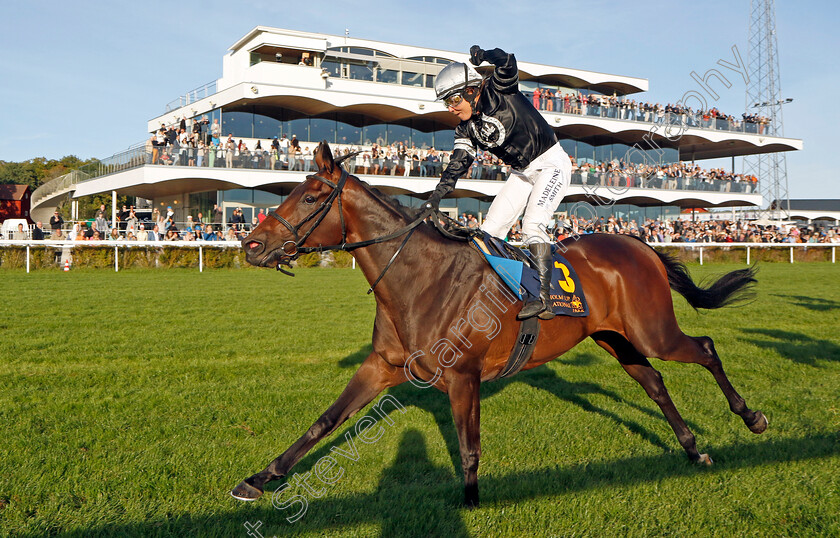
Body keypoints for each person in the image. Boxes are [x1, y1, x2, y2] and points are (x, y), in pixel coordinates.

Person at [426, 45, 572, 321]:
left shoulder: (498, 90)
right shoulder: (465, 128)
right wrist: (437, 195)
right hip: (521, 173)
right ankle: (498, 290)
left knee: (532, 225)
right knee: (488, 233)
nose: (451, 108)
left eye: (454, 99)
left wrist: (485, 55)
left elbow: (507, 61)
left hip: (551, 163)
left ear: (471, 90)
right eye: (446, 102)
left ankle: (543, 299)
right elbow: (459, 162)